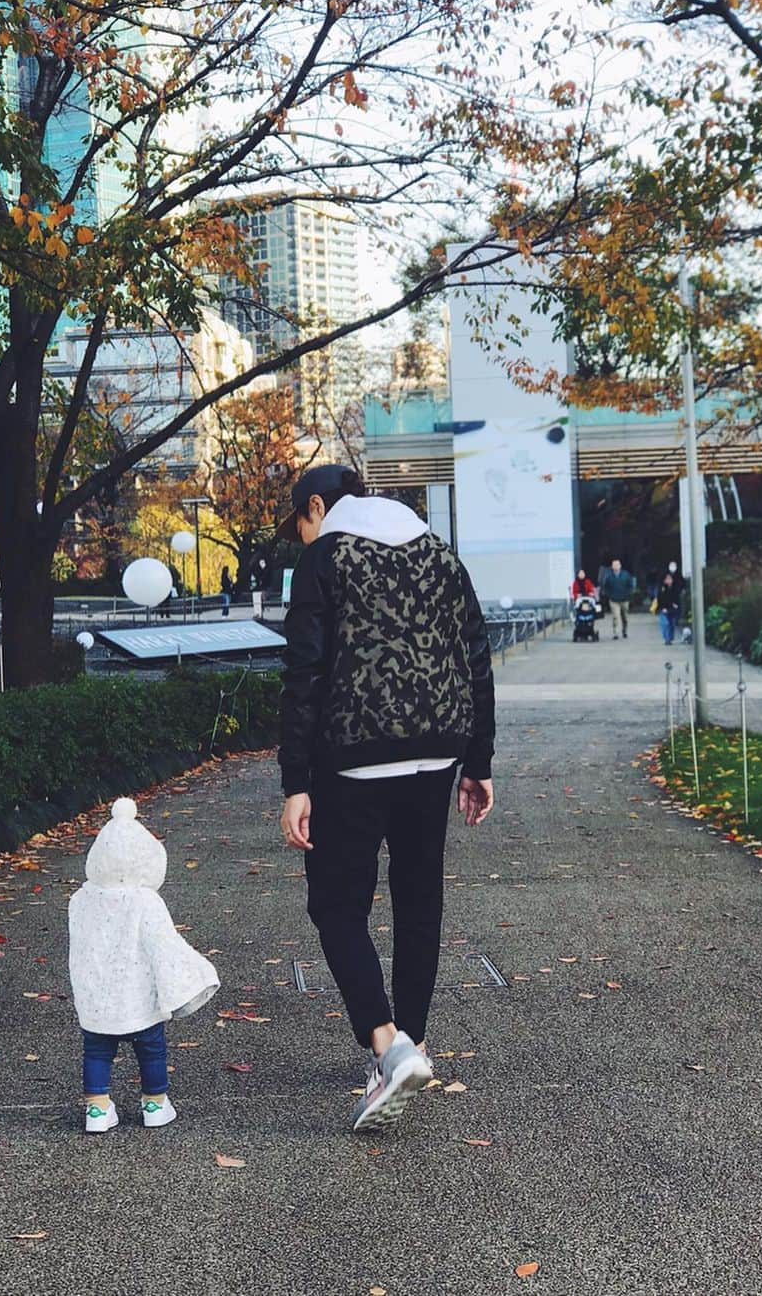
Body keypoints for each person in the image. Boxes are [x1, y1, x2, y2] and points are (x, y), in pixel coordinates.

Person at [276, 464, 495, 1133]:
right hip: (437, 752)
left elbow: (305, 672)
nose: (301, 535)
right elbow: (475, 654)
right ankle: (415, 1045)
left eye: (299, 523)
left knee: (336, 904)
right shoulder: (440, 553)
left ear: (316, 506)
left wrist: (296, 782)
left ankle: (386, 1043)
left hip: (353, 758)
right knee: (418, 896)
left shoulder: (324, 558)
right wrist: (478, 760)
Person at [68, 797, 219, 1134]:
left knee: (96, 1052)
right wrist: (190, 975)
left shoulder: (80, 900)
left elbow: (80, 946)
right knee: (151, 1049)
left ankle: (97, 1110)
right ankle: (154, 1103)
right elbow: (163, 945)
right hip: (139, 998)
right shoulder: (145, 901)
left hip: (96, 999)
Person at [599, 557, 635, 639]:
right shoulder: (609, 576)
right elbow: (605, 587)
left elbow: (631, 585)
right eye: (614, 565)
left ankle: (624, 630)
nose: (615, 566)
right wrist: (609, 595)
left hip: (624, 600)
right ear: (612, 566)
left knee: (625, 617)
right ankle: (616, 633)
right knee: (616, 616)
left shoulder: (626, 574)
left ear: (620, 566)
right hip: (614, 600)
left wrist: (628, 593)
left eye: (617, 565)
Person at [655, 572, 681, 645]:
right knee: (665, 624)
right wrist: (662, 608)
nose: (668, 580)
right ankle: (667, 639)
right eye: (667, 579)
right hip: (663, 609)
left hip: (672, 610)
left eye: (670, 579)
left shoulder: (675, 588)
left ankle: (670, 637)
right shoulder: (662, 589)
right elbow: (659, 599)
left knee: (672, 624)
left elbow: (677, 600)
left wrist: (676, 605)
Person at [249, 554, 269, 620]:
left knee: (257, 601)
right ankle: (259, 614)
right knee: (258, 601)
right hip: (258, 587)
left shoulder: (253, 565)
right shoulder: (260, 564)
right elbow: (264, 570)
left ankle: (258, 614)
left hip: (256, 587)